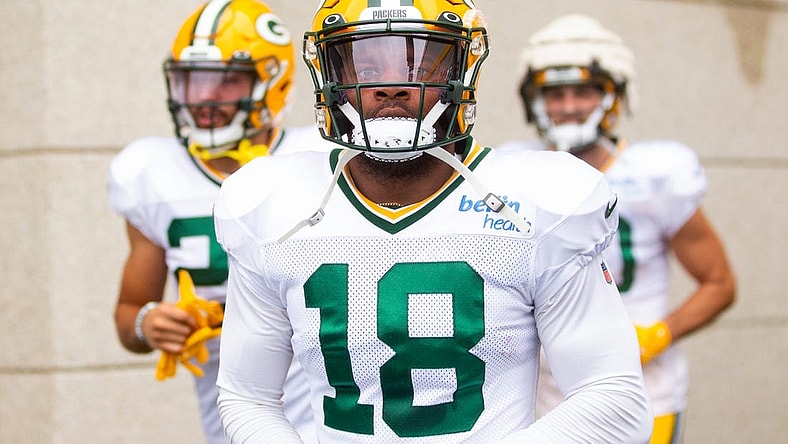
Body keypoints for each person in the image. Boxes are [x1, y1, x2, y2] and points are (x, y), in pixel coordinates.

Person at [213, 1, 652, 442]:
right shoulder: (269, 202)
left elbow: (614, 402)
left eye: (419, 64)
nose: (391, 87)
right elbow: (247, 396)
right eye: (368, 67)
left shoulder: (538, 202)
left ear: (463, 71)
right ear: (331, 77)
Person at [498, 13, 736, 444]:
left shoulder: (655, 175)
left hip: (643, 396)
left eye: (584, 91)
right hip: (544, 404)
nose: (569, 106)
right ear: (533, 99)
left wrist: (658, 335)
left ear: (614, 94)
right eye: (554, 93)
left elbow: (719, 283)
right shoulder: (514, 172)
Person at [107, 1, 330, 443]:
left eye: (226, 80)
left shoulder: (322, 158)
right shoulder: (150, 172)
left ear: (274, 81)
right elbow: (129, 317)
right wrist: (150, 322)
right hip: (231, 420)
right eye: (192, 80)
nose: (204, 98)